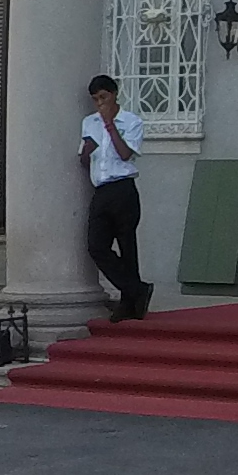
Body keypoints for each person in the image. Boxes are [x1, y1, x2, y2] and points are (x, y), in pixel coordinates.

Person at [77, 75, 152, 320]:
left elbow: (125, 154)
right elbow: (84, 158)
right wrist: (86, 153)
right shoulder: (89, 122)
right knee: (96, 246)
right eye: (95, 99)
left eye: (103, 97)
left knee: (127, 246)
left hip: (123, 189)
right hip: (101, 190)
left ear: (114, 94)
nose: (100, 103)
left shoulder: (131, 121)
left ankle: (129, 303)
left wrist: (110, 124)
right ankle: (137, 289)